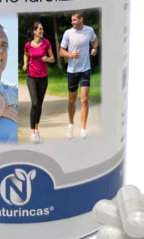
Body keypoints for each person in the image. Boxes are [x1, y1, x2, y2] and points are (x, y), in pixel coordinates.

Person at [59, 11, 98, 139]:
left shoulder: (89, 30)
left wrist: (94, 48)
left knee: (84, 99)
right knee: (72, 101)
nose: (72, 22)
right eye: (72, 20)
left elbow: (95, 40)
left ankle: (83, 129)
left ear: (81, 19)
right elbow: (61, 51)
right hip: (72, 70)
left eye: (74, 20)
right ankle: (71, 124)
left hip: (85, 69)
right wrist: (71, 55)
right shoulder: (68, 33)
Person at [23, 21, 55, 144]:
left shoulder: (46, 43)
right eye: (40, 29)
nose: (42, 31)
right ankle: (32, 133)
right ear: (34, 31)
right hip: (31, 77)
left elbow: (53, 59)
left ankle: (36, 130)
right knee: (35, 103)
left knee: (40, 105)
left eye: (42, 29)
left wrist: (47, 59)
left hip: (43, 78)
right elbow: (26, 55)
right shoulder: (28, 45)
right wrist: (25, 63)